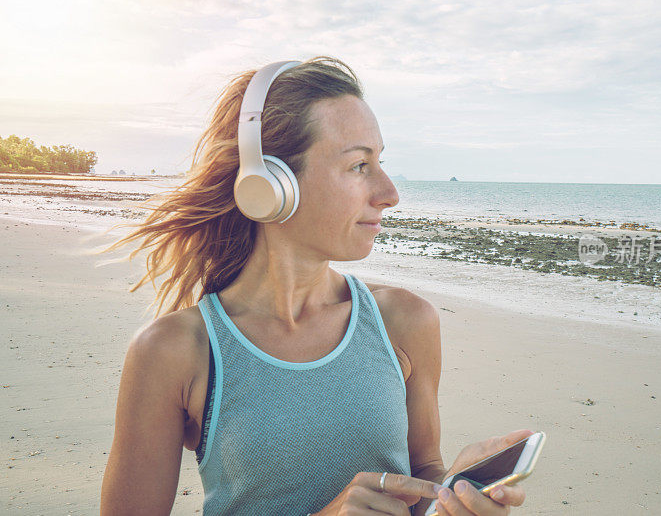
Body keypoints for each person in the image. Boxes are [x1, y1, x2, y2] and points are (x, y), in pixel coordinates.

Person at [99, 56, 532, 515]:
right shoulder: (175, 350)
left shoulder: (405, 322)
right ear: (269, 183)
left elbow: (420, 478)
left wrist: (452, 497)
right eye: (359, 165)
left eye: (380, 162)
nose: (389, 192)